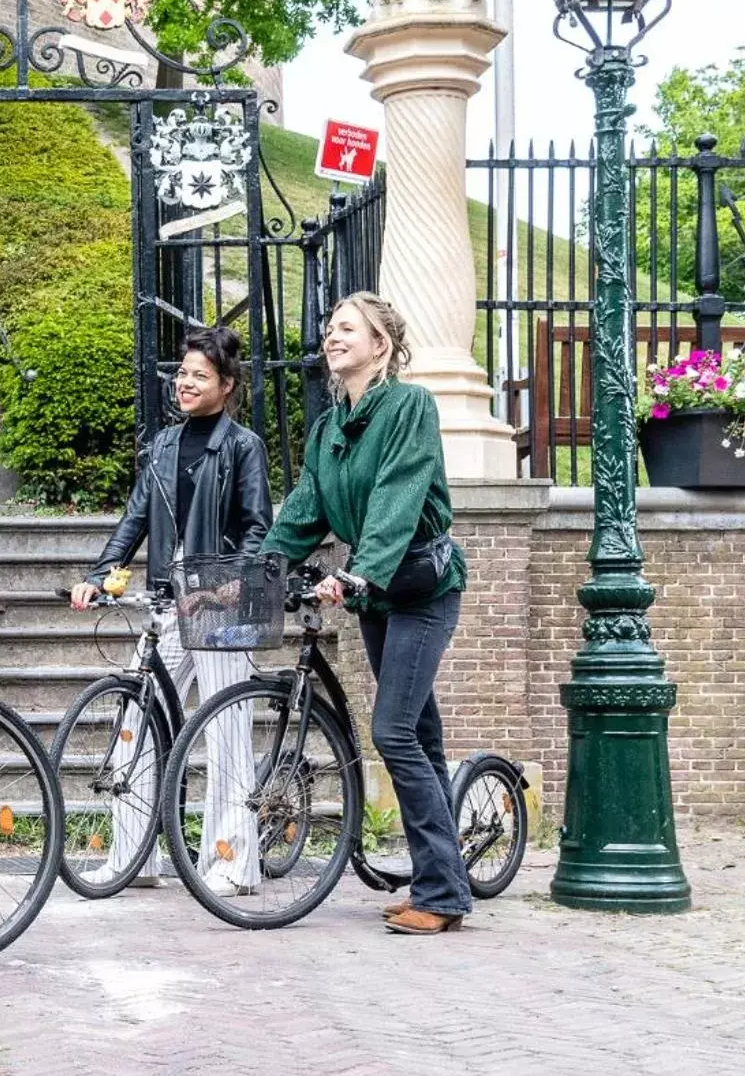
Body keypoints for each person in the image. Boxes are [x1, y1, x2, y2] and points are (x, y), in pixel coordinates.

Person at [260, 291, 472, 935]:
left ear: (381, 345)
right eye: (329, 329)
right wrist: (257, 570)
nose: (332, 336)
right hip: (378, 593)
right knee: (419, 734)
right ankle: (444, 875)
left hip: (423, 589)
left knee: (395, 732)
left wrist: (358, 570)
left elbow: (398, 495)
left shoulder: (410, 407)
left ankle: (440, 896)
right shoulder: (329, 429)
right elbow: (303, 511)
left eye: (348, 328)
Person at [70, 326, 271, 895]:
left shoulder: (241, 446)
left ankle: (231, 862)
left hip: (219, 606)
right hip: (166, 602)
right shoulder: (162, 445)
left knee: (227, 730)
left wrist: (230, 581)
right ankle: (134, 858)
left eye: (199, 376)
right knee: (136, 724)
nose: (185, 383)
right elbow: (134, 519)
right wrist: (98, 575)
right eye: (182, 373)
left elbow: (259, 526)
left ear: (226, 386)